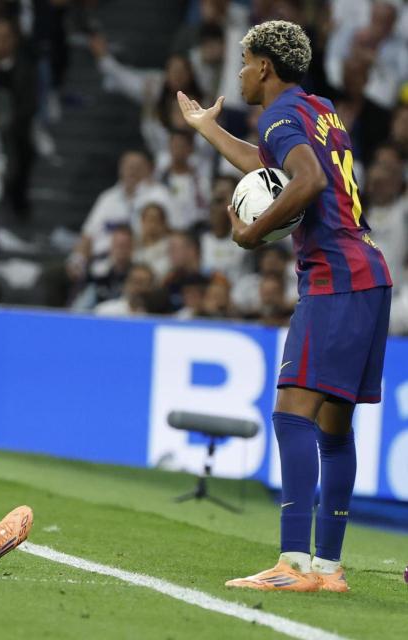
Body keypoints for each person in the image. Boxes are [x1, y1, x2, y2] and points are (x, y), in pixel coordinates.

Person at [178, 20, 392, 593]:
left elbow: (307, 179)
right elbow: (274, 165)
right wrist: (208, 128)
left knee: (291, 411)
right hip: (369, 272)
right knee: (334, 426)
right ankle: (328, 569)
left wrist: (252, 233)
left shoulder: (278, 115)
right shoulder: (317, 109)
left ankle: (292, 564)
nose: (241, 73)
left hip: (334, 277)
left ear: (265, 67)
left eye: (245, 63)